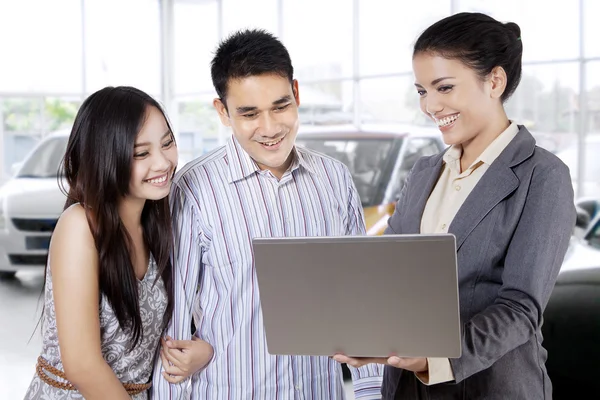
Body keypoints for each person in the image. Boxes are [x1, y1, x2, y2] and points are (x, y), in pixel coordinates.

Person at [333, 12, 576, 399]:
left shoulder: (542, 175)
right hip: (405, 387)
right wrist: (367, 331)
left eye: (444, 87)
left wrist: (434, 359)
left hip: (489, 387)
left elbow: (521, 308)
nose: (430, 106)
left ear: (494, 81)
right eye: (422, 91)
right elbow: (389, 272)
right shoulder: (425, 171)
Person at [150, 29, 383, 399]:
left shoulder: (334, 179)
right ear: (222, 112)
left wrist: (372, 393)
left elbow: (361, 296)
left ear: (297, 93)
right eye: (249, 114)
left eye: (280, 106)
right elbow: (174, 324)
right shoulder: (193, 189)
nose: (271, 128)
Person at [24, 86, 179, 400]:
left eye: (167, 143)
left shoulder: (157, 222)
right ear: (106, 157)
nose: (163, 162)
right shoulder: (80, 226)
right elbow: (82, 365)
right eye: (141, 153)